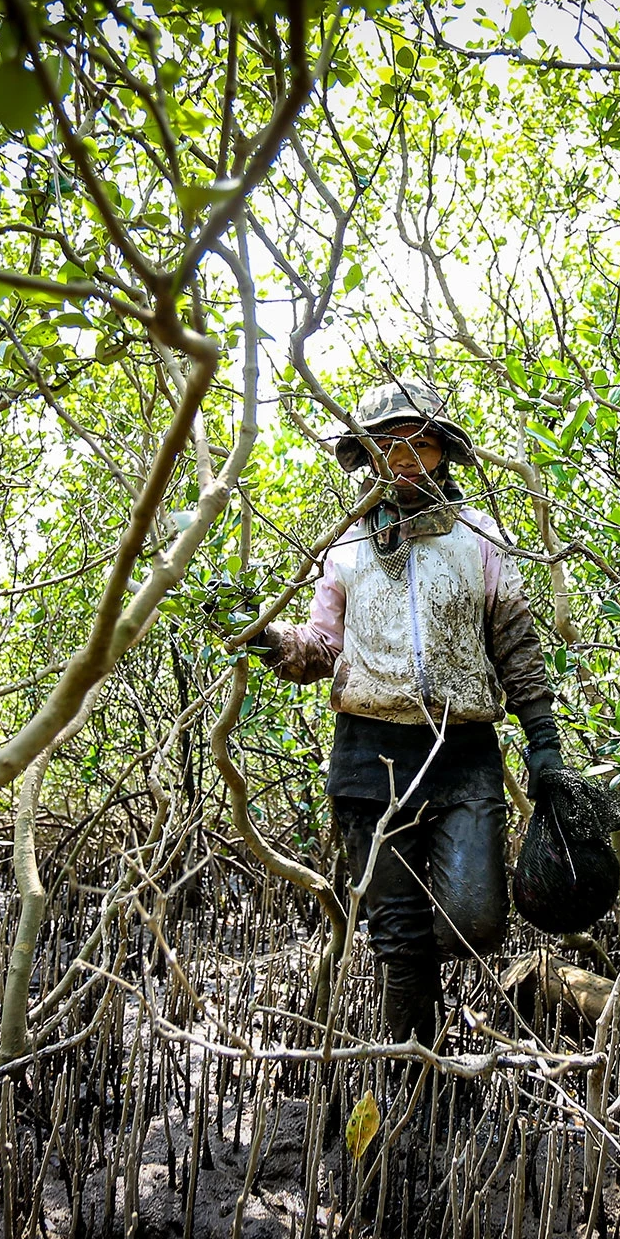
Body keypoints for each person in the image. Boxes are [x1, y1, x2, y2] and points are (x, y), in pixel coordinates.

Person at [247, 377, 566, 1044]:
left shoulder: (479, 538)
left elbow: (514, 641)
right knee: (397, 934)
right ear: (366, 459)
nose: (401, 460)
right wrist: (266, 640)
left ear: (442, 453)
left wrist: (543, 739)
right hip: (369, 755)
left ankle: (437, 1030)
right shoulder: (345, 548)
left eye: (416, 444)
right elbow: (318, 652)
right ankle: (410, 1069)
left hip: (463, 752)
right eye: (385, 447)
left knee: (473, 920)